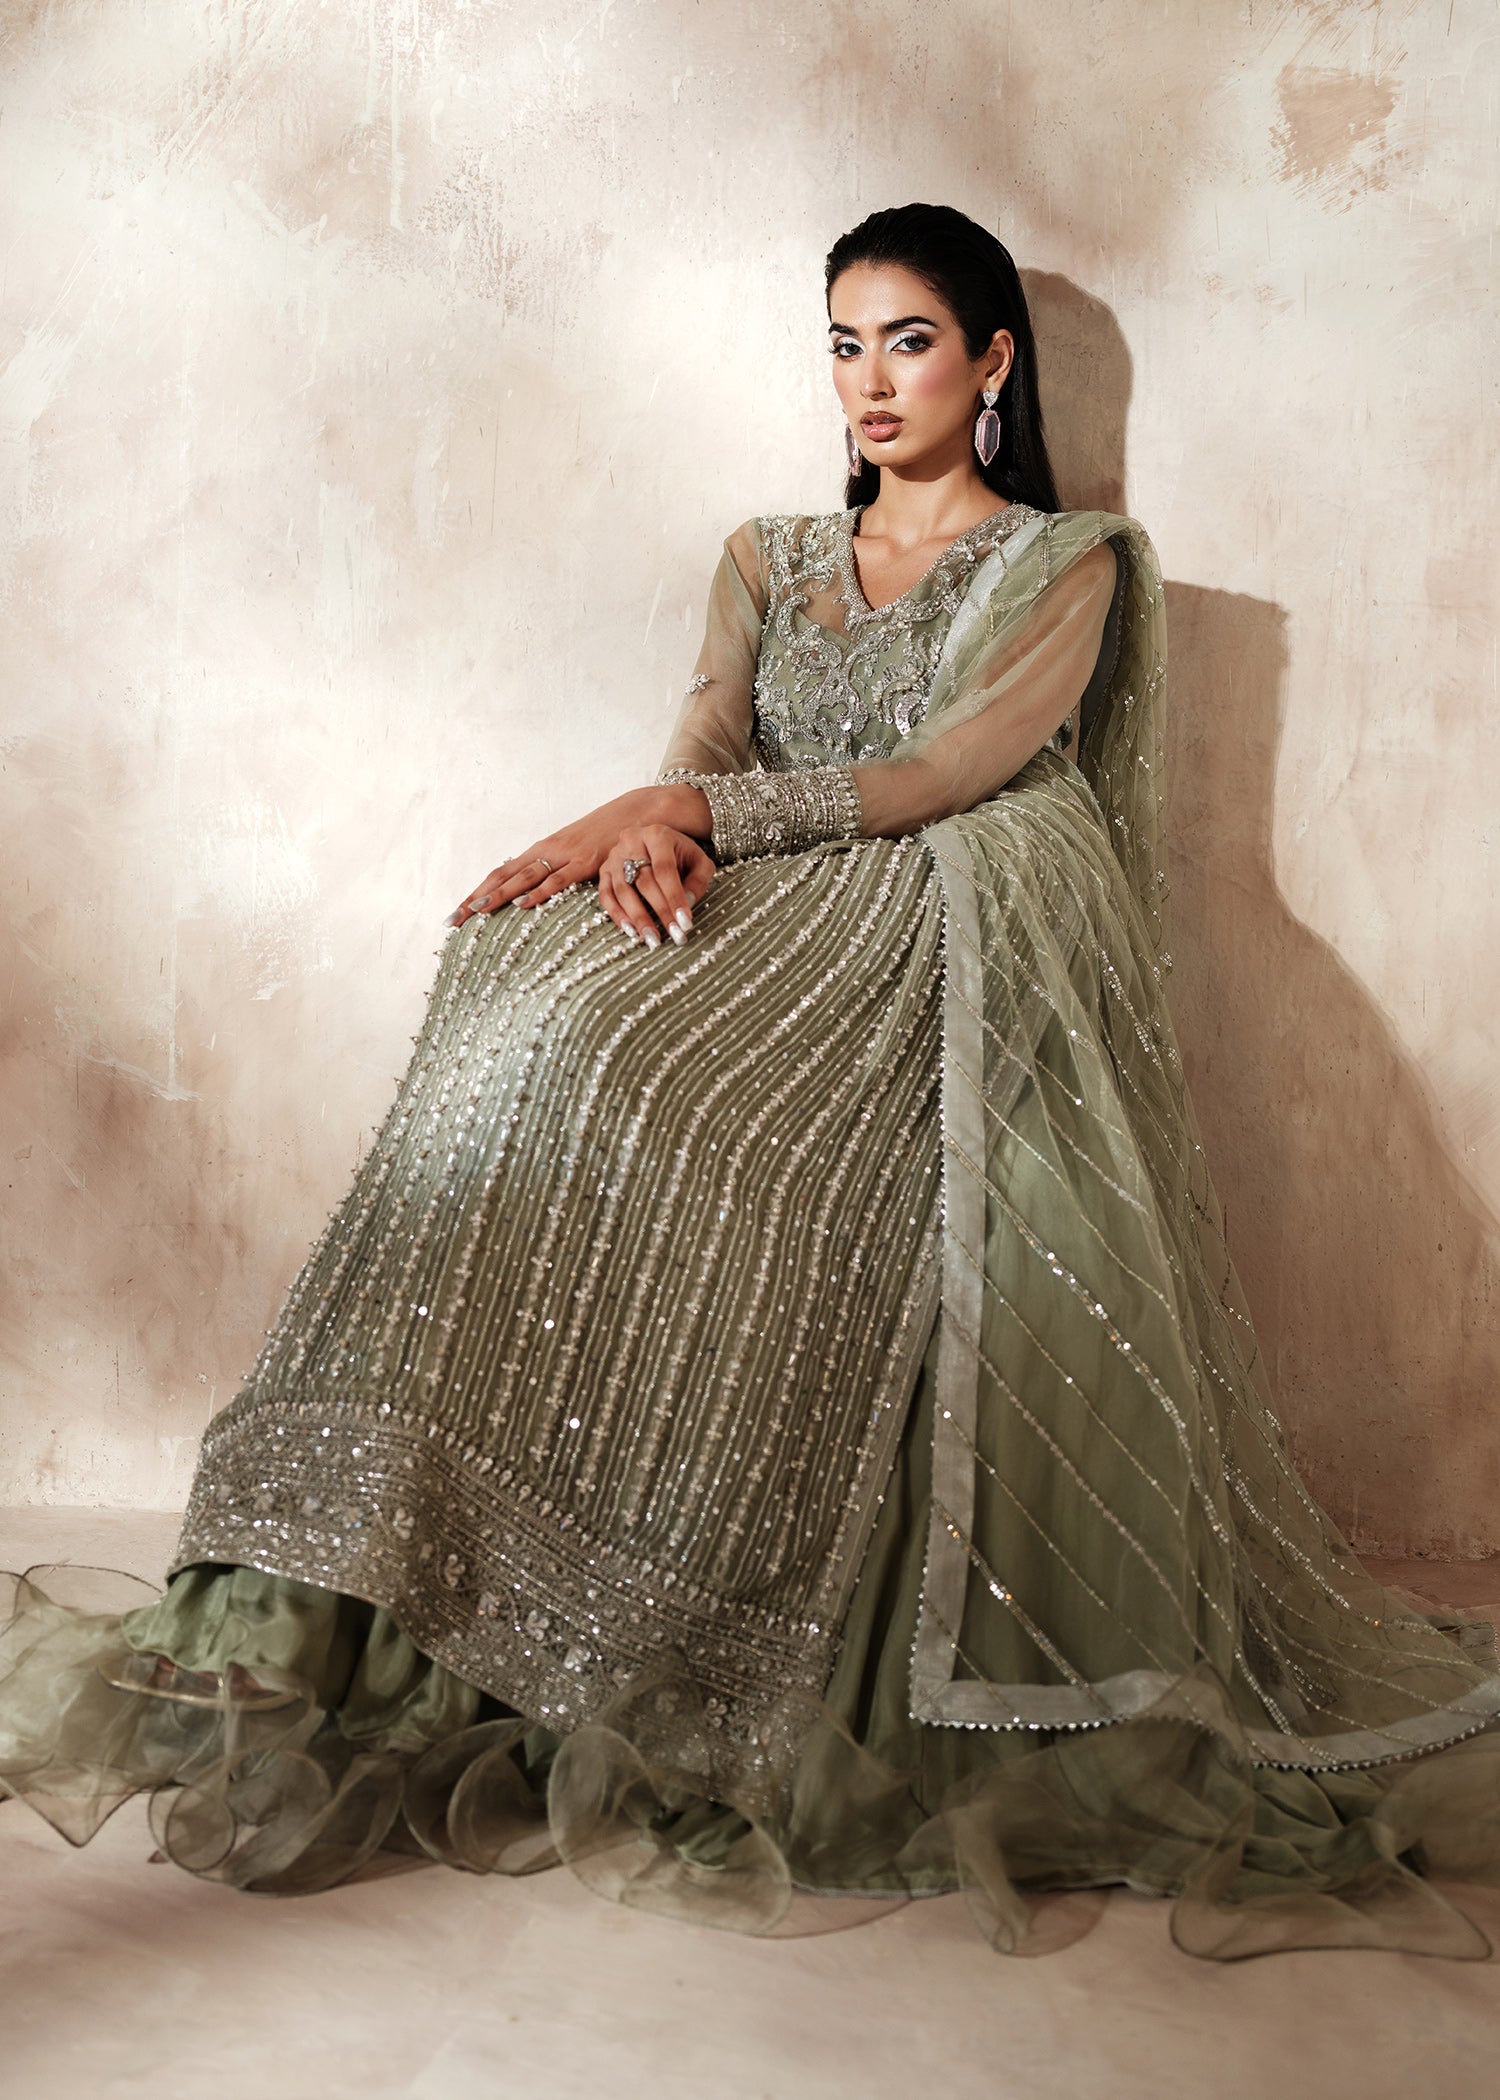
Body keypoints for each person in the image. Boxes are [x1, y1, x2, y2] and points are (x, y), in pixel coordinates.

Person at [4, 201, 1500, 1964]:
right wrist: (658, 832)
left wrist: (697, 812)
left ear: (992, 362)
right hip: (768, 879)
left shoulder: (1065, 561)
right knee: (532, 997)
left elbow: (952, 769)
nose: (871, 381)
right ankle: (375, 1594)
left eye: (910, 342)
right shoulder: (769, 553)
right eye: (844, 346)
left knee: (672, 1073)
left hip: (938, 908)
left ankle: (713, 1619)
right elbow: (709, 734)